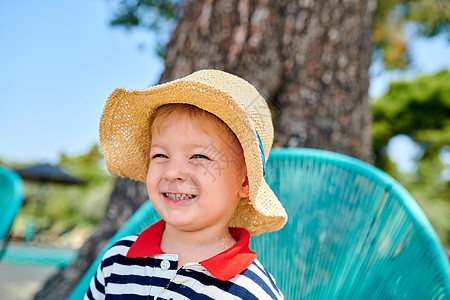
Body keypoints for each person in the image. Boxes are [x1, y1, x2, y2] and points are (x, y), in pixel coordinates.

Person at [85, 69, 288, 299]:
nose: (172, 172)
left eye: (199, 157)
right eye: (160, 155)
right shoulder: (117, 261)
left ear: (245, 181)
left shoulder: (251, 291)